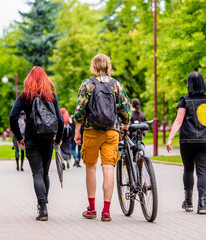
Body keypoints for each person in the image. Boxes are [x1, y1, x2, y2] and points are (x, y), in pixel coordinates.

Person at [74, 54, 130, 222]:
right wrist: (125, 124)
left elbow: (80, 110)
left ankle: (92, 209)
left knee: (90, 168)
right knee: (108, 169)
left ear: (93, 66)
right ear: (108, 66)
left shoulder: (87, 84)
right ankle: (106, 211)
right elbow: (125, 109)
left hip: (91, 131)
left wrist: (77, 131)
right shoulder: (116, 85)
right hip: (111, 131)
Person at [9, 66, 64, 221]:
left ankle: (42, 208)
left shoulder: (25, 95)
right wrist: (58, 138)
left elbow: (13, 116)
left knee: (37, 173)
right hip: (48, 139)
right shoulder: (51, 95)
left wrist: (19, 137)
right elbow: (60, 119)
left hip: (32, 139)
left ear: (29, 79)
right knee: (45, 173)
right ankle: (44, 206)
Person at [166, 71, 206, 215]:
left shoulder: (184, 100)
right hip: (205, 140)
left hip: (187, 140)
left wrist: (170, 139)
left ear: (189, 84)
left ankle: (188, 203)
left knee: (188, 170)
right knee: (202, 171)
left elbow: (178, 121)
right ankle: (202, 204)